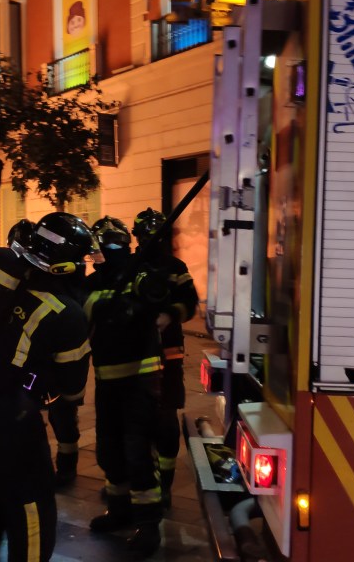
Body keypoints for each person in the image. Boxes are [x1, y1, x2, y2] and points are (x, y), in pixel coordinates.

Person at [0, 212, 98, 562]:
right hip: (12, 420)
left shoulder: (2, 288)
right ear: (66, 264)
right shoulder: (65, 312)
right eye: (81, 260)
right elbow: (72, 389)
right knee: (32, 511)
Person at [85, 216, 166, 557]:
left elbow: (158, 293)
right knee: (109, 451)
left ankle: (149, 525)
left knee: (138, 453)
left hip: (139, 381)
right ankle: (119, 510)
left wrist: (136, 302)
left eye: (114, 241)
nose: (109, 248)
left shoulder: (139, 273)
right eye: (103, 244)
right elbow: (83, 313)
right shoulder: (92, 283)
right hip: (107, 382)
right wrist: (104, 307)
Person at [9, 219, 84, 488]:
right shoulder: (19, 278)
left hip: (51, 354)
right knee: (41, 416)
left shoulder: (55, 280)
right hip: (29, 363)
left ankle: (66, 466)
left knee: (62, 414)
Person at [132, 207, 199, 509]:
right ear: (137, 237)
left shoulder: (175, 267)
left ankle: (166, 485)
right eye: (146, 235)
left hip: (168, 352)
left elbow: (190, 302)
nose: (151, 241)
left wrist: (170, 315)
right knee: (136, 420)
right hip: (134, 354)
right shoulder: (129, 266)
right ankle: (140, 480)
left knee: (166, 420)